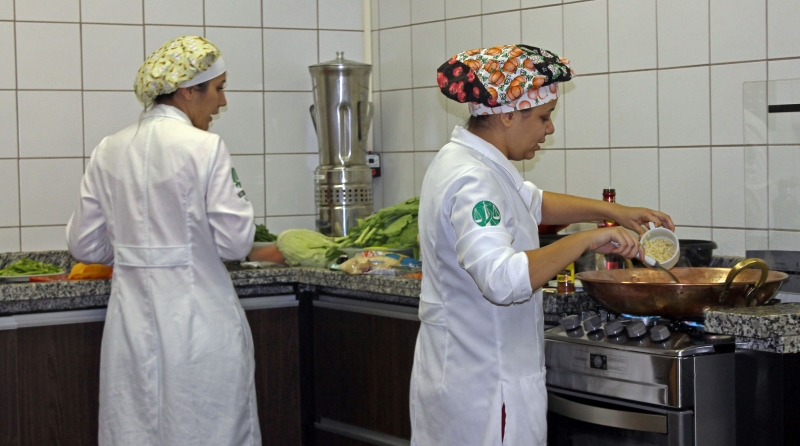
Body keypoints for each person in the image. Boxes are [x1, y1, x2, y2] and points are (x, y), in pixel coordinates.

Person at [410, 44, 675, 445]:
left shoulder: (469, 161)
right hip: (487, 392)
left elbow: (532, 203)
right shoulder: (473, 179)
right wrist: (585, 239)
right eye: (543, 117)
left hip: (472, 378)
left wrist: (614, 212)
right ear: (507, 114)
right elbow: (501, 279)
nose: (549, 130)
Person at [66, 36, 261, 445]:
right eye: (219, 88)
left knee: (136, 430)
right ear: (189, 90)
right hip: (202, 326)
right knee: (209, 430)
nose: (222, 102)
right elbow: (235, 243)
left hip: (131, 331)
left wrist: (132, 248)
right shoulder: (205, 148)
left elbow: (85, 246)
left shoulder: (109, 149)